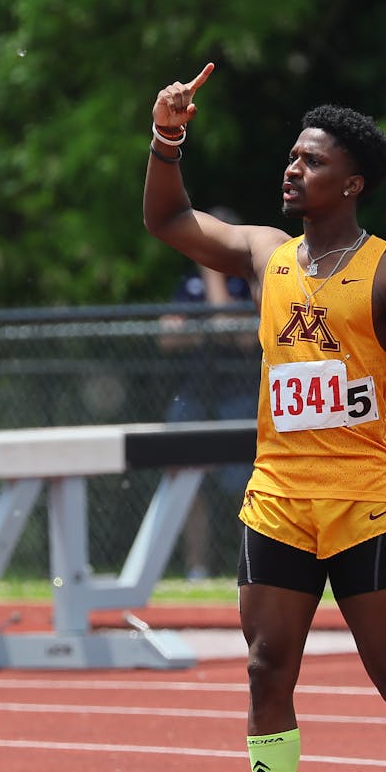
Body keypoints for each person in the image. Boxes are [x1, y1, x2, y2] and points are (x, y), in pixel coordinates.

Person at [143, 62, 386, 772]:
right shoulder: (266, 255)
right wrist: (167, 137)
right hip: (280, 504)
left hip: (362, 507)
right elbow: (167, 221)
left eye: (312, 160)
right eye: (292, 156)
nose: (293, 168)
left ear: (352, 182)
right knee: (266, 668)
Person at [158, 205, 258, 580]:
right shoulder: (189, 286)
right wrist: (213, 327)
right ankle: (196, 568)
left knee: (246, 488)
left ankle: (251, 566)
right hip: (194, 397)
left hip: (239, 396)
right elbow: (169, 338)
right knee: (185, 483)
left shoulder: (248, 282)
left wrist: (214, 277)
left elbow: (244, 336)